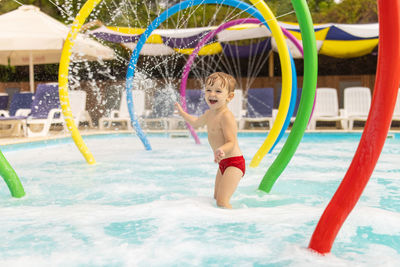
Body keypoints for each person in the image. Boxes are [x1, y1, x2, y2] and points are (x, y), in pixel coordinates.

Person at [175, 72, 245, 209]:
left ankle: (237, 223)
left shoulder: (226, 116)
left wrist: (221, 149)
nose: (212, 94)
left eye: (218, 91)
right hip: (223, 163)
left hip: (234, 164)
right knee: (216, 199)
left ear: (229, 97)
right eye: (208, 90)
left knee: (222, 202)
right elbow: (196, 123)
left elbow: (231, 142)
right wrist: (182, 113)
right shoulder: (209, 114)